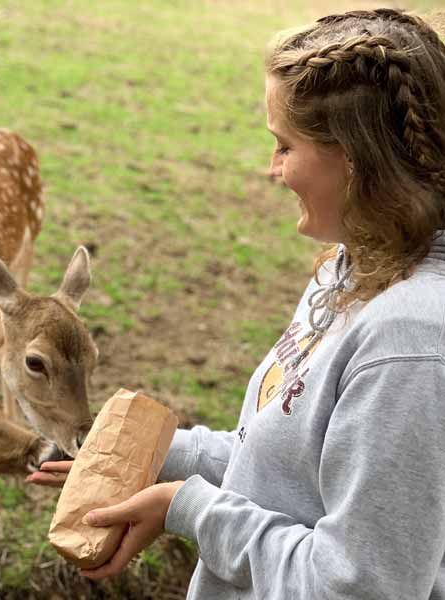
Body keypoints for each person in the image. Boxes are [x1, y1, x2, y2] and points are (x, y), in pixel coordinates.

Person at [27, 8, 445, 598]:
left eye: (283, 145)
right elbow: (290, 471)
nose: (272, 169)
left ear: (355, 159)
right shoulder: (353, 267)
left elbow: (360, 586)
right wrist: (151, 456)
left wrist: (191, 510)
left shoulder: (409, 345)